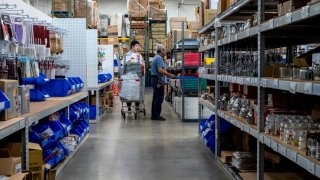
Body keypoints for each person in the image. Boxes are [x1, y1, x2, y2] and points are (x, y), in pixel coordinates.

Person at [151, 44, 176, 121]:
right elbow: (160, 70)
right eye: (164, 49)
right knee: (159, 98)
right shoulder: (159, 58)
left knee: (156, 97)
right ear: (161, 50)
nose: (165, 51)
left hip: (155, 80)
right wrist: (170, 75)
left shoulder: (156, 57)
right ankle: (156, 115)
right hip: (158, 80)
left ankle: (154, 115)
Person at [123, 40, 144, 111]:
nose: (137, 47)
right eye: (136, 46)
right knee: (129, 92)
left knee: (137, 91)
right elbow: (124, 65)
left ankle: (137, 106)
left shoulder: (139, 55)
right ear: (132, 46)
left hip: (137, 77)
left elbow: (141, 64)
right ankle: (129, 107)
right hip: (129, 77)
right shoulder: (127, 55)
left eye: (138, 46)